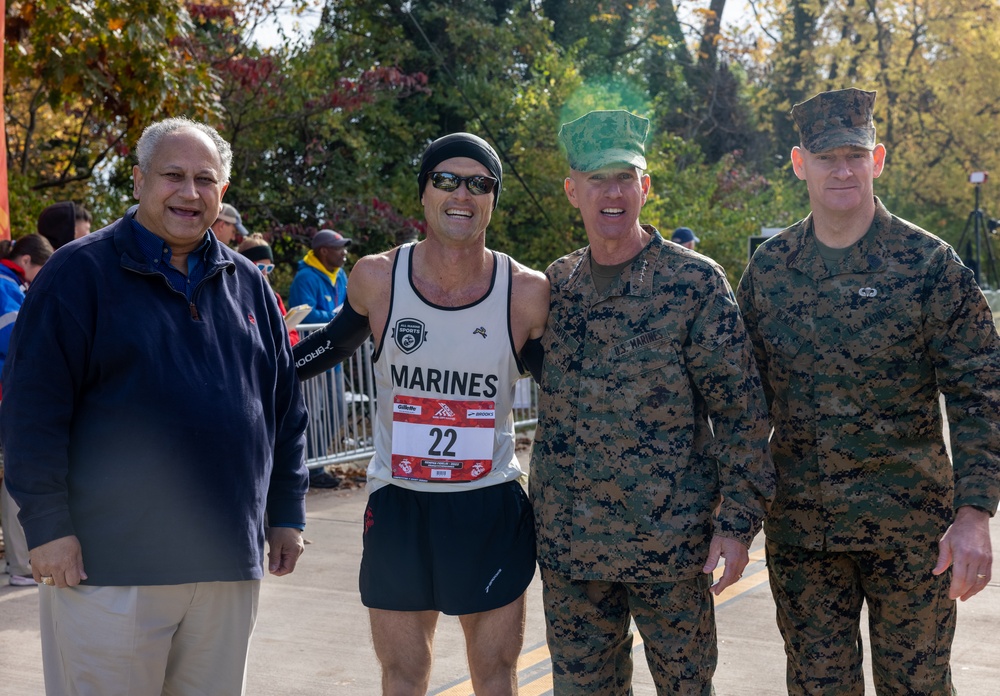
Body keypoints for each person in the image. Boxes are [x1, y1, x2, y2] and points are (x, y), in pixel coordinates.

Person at [0, 117, 309, 695]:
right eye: (173, 175)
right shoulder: (77, 274)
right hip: (107, 567)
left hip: (225, 564)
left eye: (204, 179)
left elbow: (284, 411)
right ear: (140, 180)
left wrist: (286, 512)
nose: (189, 193)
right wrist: (46, 526)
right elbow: (31, 412)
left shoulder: (249, 286)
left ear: (222, 192)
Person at [735, 88, 1000, 694]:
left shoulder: (928, 265)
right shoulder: (770, 271)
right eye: (827, 157)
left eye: (855, 154)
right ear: (801, 164)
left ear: (878, 159)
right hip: (804, 536)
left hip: (912, 537)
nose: (843, 169)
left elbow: (981, 392)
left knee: (919, 687)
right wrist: (734, 514)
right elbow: (742, 405)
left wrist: (975, 513)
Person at [292, 132, 549, 695]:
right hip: (399, 504)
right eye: (447, 180)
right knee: (403, 675)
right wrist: (252, 374)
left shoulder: (526, 291)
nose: (463, 193)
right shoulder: (377, 278)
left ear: (493, 199)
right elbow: (326, 348)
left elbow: (569, 385)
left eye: (480, 184)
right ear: (424, 193)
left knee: (496, 675)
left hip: (488, 505)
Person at [529, 109, 775, 694]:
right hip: (571, 553)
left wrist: (737, 525)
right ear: (572, 190)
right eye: (596, 177)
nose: (611, 191)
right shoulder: (554, 286)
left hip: (670, 548)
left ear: (645, 186)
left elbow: (742, 415)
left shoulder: (693, 284)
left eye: (625, 176)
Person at [0, 234, 54, 587]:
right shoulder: (7, 286)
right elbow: (18, 343)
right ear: (26, 261)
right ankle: (20, 564)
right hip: (6, 398)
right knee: (13, 477)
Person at [289, 228, 353, 488]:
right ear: (324, 251)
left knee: (337, 411)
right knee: (313, 415)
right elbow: (302, 314)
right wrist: (335, 317)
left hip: (334, 359)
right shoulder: (305, 277)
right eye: (339, 248)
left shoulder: (341, 275)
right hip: (313, 357)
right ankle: (311, 469)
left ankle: (317, 463)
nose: (344, 252)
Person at [238, 233, 300, 345]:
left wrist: (280, 340)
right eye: (260, 267)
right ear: (246, 266)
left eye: (269, 268)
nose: (265, 272)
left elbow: (294, 337)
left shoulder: (274, 297)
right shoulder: (233, 295)